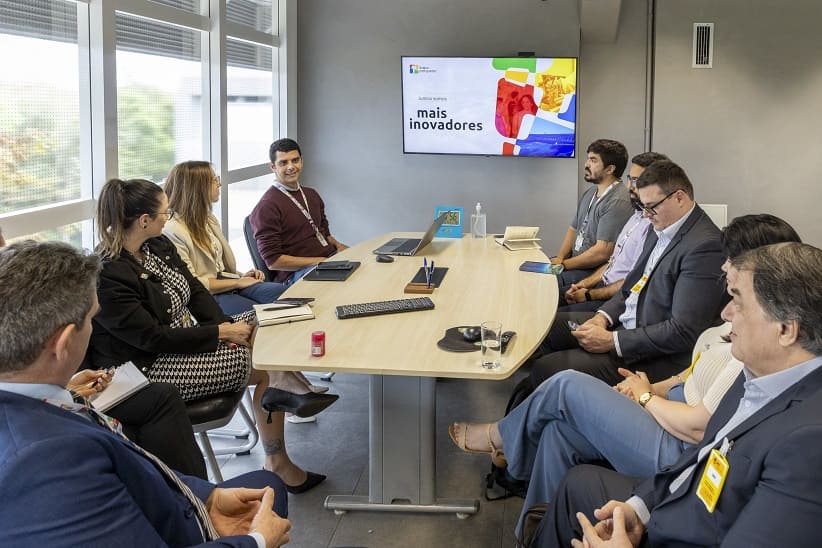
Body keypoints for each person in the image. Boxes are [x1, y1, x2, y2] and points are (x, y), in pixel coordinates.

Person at [450, 214, 801, 539]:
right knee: (560, 433)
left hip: (675, 442)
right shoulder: (733, 324)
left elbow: (699, 427)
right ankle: (536, 533)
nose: (721, 273)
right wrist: (647, 389)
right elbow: (688, 375)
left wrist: (647, 399)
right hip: (665, 409)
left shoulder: (754, 349)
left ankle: (502, 437)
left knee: (566, 383)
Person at [0, 240, 291, 547]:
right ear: (64, 344)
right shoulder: (45, 461)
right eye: (91, 321)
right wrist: (257, 542)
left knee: (267, 486)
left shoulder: (37, 405)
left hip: (162, 506)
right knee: (270, 490)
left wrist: (206, 497)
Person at [536, 242, 822, 547]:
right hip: (675, 510)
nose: (725, 313)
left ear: (785, 330)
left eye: (738, 302)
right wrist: (639, 510)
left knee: (564, 383)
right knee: (576, 481)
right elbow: (699, 458)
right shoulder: (757, 373)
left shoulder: (808, 442)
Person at [88, 178, 337, 493]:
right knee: (261, 364)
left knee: (267, 323)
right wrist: (218, 333)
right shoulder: (108, 273)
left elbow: (194, 291)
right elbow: (151, 339)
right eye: (164, 212)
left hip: (184, 341)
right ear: (144, 221)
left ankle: (285, 393)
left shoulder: (157, 245)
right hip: (146, 368)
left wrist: (227, 330)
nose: (169, 215)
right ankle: (278, 454)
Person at [0, 224, 208, 477]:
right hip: (77, 417)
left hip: (70, 394)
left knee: (159, 399)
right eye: (90, 320)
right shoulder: (59, 451)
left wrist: (68, 390)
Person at [532, 160, 727, 386]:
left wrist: (613, 341)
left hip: (654, 354)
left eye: (651, 207)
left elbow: (682, 331)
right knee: (545, 326)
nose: (645, 215)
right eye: (643, 207)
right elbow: (631, 287)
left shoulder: (705, 248)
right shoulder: (661, 226)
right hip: (627, 324)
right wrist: (601, 318)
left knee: (545, 369)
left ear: (680, 198)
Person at [163, 161, 286, 316]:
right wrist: (237, 282)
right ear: (198, 188)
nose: (219, 185)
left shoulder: (208, 219)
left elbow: (218, 268)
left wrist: (241, 275)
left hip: (227, 284)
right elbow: (192, 284)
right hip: (207, 294)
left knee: (285, 294)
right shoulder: (173, 230)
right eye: (215, 181)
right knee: (256, 314)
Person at [561, 152, 669, 311]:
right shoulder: (636, 216)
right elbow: (612, 263)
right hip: (600, 284)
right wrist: (583, 285)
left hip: (612, 300)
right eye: (629, 179)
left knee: (551, 319)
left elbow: (632, 281)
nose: (629, 186)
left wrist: (589, 294)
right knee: (545, 297)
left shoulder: (653, 227)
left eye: (636, 181)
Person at [249, 138, 348, 285]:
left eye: (295, 160)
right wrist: (321, 262)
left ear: (301, 161)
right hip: (296, 274)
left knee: (366, 266)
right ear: (272, 167)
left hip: (326, 261)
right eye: (283, 163)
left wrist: (340, 247)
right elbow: (273, 262)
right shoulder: (266, 207)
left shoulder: (311, 194)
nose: (291, 167)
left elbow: (324, 234)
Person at [550, 139, 634, 290]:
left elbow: (602, 253)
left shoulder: (618, 201)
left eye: (593, 160)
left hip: (592, 271)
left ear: (610, 169)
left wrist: (563, 265)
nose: (586, 164)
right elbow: (573, 229)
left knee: (545, 284)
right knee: (533, 274)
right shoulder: (591, 192)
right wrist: (560, 258)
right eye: (588, 158)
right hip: (574, 263)